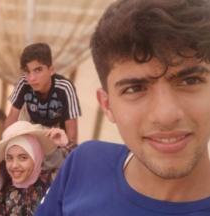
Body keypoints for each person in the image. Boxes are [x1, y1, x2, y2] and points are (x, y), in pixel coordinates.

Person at [35, 0, 210, 215]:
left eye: (190, 81)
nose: (166, 115)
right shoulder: (84, 163)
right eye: (134, 88)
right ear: (107, 105)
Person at [4, 42, 81, 147]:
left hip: (57, 139)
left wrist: (67, 149)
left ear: (51, 70)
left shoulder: (64, 87)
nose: (32, 78)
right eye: (27, 72)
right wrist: (3, 147)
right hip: (33, 135)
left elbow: (72, 137)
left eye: (38, 70)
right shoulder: (24, 82)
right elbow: (12, 118)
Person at [0, 121, 68, 216]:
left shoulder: (52, 181)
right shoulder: (0, 187)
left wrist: (66, 144)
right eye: (9, 158)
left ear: (36, 157)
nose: (14, 165)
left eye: (23, 158)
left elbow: (81, 172)